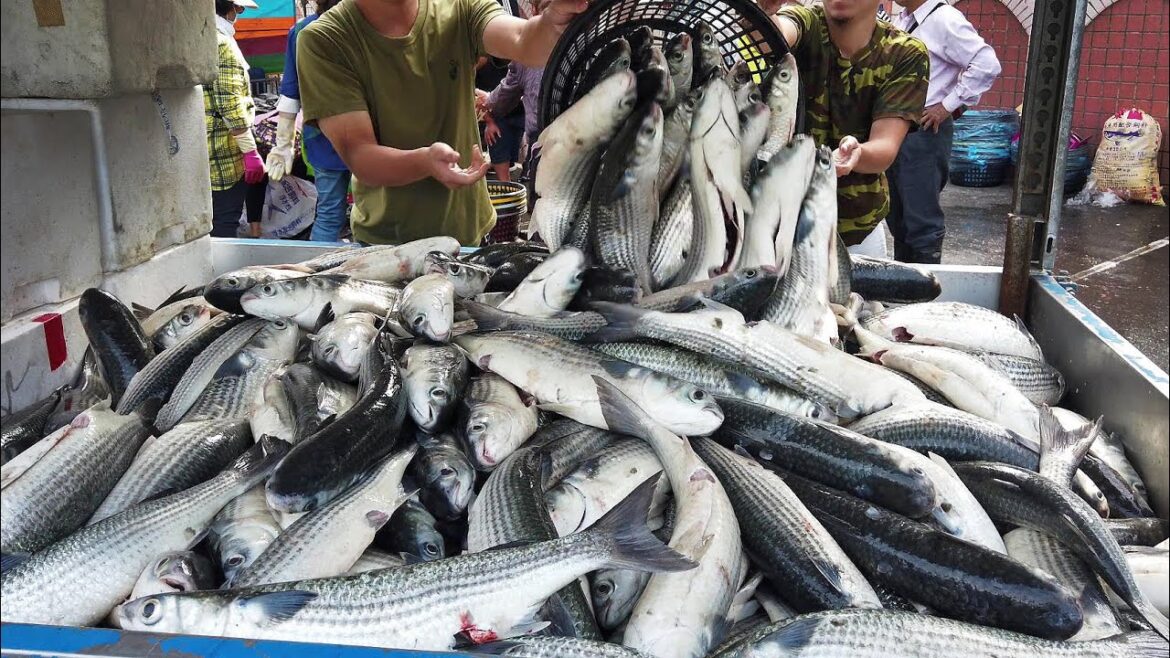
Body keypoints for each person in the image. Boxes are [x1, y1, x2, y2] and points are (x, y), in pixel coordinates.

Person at [295, 0, 586, 246]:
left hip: (473, 234)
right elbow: (360, 154)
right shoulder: (325, 40)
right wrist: (425, 162)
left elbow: (524, 39)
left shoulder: (458, 6)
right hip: (388, 245)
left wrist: (553, 21)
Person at [757, 0, 930, 255]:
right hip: (778, 223)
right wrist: (762, 12)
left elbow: (885, 146)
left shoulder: (904, 53)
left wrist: (858, 152)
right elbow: (774, 33)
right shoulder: (807, 23)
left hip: (856, 230)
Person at [886, 0, 1000, 263]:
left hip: (924, 131)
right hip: (898, 128)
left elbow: (986, 63)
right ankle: (903, 288)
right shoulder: (905, 19)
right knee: (899, 217)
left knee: (921, 220)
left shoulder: (944, 18)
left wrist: (946, 106)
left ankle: (925, 290)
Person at [266, 0, 354, 242]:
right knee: (370, 212)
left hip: (323, 137)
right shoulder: (366, 26)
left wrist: (283, 143)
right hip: (366, 135)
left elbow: (290, 93)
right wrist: (282, 144)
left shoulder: (303, 30)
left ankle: (317, 274)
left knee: (329, 212)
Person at [206, 0, 268, 238]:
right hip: (223, 152)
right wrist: (250, 151)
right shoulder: (222, 43)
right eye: (239, 9)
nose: (239, 14)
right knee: (224, 219)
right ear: (232, 9)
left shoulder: (199, 39)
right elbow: (230, 102)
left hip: (205, 147)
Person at [479, 58, 544, 185]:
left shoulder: (523, 58)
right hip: (563, 127)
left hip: (539, 129)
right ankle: (507, 185)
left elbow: (505, 93)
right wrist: (489, 118)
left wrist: (488, 99)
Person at [475, 56, 527, 183]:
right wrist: (489, 120)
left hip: (523, 111)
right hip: (496, 115)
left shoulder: (522, 58)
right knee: (504, 176)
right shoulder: (483, 60)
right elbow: (471, 90)